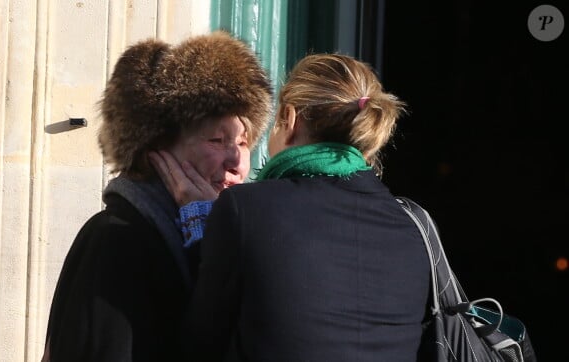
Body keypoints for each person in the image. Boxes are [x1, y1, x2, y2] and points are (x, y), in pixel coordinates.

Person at [167, 53, 432, 361]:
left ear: (289, 119)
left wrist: (201, 225)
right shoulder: (413, 227)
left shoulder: (246, 210)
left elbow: (199, 345)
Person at [41, 31, 272, 362]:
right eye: (216, 141)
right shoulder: (116, 240)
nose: (237, 162)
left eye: (244, 142)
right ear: (158, 149)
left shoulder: (232, 240)